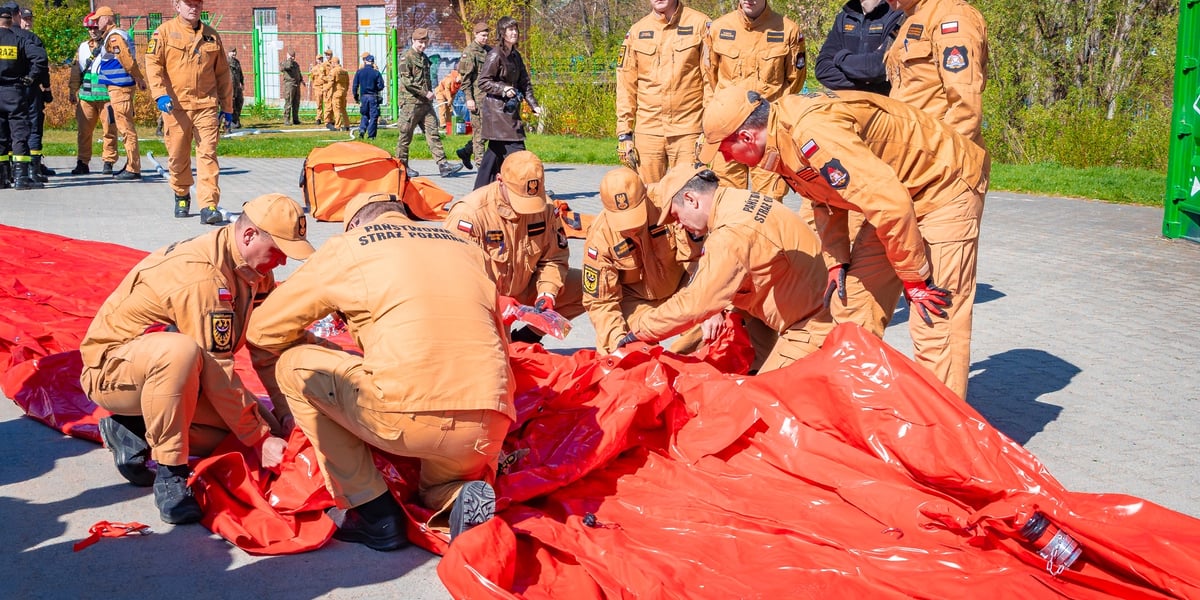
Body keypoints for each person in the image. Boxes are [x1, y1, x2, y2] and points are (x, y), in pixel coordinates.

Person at [246, 192, 515, 551]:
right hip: (488, 418)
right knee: (438, 484)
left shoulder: (350, 246)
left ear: (356, 224)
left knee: (294, 366)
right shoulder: (465, 246)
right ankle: (455, 496)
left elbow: (263, 330)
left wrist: (324, 343)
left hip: (403, 412)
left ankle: (372, 511)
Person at [699, 85, 986, 397]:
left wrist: (914, 279)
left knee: (934, 314)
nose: (726, 158)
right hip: (892, 197)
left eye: (725, 149)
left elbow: (889, 202)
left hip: (942, 185)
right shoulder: (778, 138)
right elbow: (826, 197)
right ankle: (851, 404)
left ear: (746, 137)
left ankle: (944, 430)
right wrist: (837, 260)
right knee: (853, 307)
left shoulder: (812, 131)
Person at [80, 193, 311, 524]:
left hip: (181, 376)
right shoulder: (201, 277)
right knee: (180, 353)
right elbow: (217, 367)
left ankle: (133, 427)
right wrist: (260, 439)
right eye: (278, 251)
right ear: (249, 236)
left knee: (250, 435)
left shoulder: (254, 268)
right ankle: (171, 472)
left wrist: (287, 414)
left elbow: (268, 345)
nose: (283, 262)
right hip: (114, 371)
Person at [617, 164, 834, 373]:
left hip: (810, 325)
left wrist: (638, 333)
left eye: (675, 216)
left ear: (691, 199)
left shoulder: (730, 234)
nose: (679, 225)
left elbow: (696, 303)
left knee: (762, 401)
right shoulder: (737, 200)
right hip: (804, 299)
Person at [445, 150, 584, 343]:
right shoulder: (470, 214)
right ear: (500, 180)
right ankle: (503, 341)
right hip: (486, 302)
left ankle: (528, 338)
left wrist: (547, 293)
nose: (527, 209)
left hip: (525, 287)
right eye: (519, 198)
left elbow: (554, 258)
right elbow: (453, 277)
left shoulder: (546, 209)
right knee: (500, 364)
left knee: (591, 286)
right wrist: (494, 301)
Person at [582, 167, 710, 354]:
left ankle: (681, 364)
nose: (631, 230)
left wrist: (707, 301)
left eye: (636, 217)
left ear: (645, 197)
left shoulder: (667, 203)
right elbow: (600, 302)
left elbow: (696, 258)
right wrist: (617, 339)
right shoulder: (599, 237)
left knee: (710, 322)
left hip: (681, 289)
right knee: (616, 353)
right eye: (622, 223)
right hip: (636, 302)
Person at [702, 0, 806, 200]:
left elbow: (794, 82)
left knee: (768, 202)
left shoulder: (788, 30)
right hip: (727, 132)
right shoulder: (718, 28)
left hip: (767, 133)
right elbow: (709, 78)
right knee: (727, 198)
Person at [146, 0, 235, 225]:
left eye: (197, 3)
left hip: (206, 105)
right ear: (176, 6)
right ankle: (181, 192)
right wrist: (160, 94)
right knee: (177, 156)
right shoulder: (163, 33)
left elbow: (223, 74)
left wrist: (227, 107)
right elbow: (153, 65)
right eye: (188, 4)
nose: (193, 7)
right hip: (175, 106)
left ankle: (208, 205)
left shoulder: (212, 36)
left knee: (208, 154)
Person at [615, 0, 710, 184]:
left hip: (688, 131)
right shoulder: (637, 31)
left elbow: (711, 81)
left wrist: (709, 129)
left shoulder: (699, 24)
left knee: (687, 195)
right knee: (648, 198)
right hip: (648, 131)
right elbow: (626, 86)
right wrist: (624, 132)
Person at [883, 0, 989, 150]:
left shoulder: (951, 17)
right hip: (911, 152)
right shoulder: (912, 18)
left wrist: (942, 158)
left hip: (937, 158)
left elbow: (965, 106)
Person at [473, 16, 544, 189]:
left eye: (516, 29)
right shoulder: (495, 54)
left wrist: (533, 104)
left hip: (509, 112)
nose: (514, 33)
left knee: (492, 155)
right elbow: (483, 81)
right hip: (498, 114)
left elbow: (524, 83)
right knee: (519, 153)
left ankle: (480, 190)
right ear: (502, 33)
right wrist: (503, 89)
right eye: (510, 30)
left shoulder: (515, 56)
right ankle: (527, 187)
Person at [396, 28, 462, 178]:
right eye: (420, 42)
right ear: (413, 41)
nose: (423, 45)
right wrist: (425, 92)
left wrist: (429, 94)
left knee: (433, 134)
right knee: (405, 136)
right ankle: (402, 167)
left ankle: (443, 165)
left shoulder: (424, 58)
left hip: (425, 105)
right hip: (411, 104)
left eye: (425, 42)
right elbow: (407, 81)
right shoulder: (406, 57)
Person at [93, 5, 144, 183]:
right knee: (125, 128)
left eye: (98, 19)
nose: (96, 23)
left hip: (120, 88)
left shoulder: (114, 37)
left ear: (107, 18)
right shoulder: (115, 35)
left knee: (126, 129)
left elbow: (127, 60)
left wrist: (139, 78)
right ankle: (131, 164)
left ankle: (133, 167)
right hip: (118, 88)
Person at [814, 0, 906, 95]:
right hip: (848, 103)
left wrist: (840, 58)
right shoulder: (844, 17)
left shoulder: (897, 15)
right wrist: (868, 81)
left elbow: (880, 67)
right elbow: (822, 70)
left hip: (884, 104)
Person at [0, 5, 45, 190]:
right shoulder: (18, 38)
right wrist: (31, 77)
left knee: (1, 136)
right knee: (19, 134)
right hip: (14, 91)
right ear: (12, 19)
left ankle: (2, 178)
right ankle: (21, 178)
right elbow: (40, 58)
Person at [68, 12, 119, 176]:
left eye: (95, 27)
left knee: (110, 131)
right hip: (86, 97)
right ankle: (82, 163)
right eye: (89, 28)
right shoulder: (83, 47)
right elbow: (76, 71)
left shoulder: (111, 44)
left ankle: (108, 162)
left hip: (107, 97)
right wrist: (72, 91)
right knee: (84, 132)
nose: (92, 31)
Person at [14, 5, 52, 183]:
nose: (28, 22)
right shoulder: (30, 39)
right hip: (29, 87)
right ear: (17, 17)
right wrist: (45, 86)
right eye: (25, 19)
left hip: (12, 90)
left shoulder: (7, 38)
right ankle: (32, 170)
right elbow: (42, 63)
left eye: (30, 19)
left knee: (14, 128)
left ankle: (15, 171)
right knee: (33, 126)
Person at [454, 22, 491, 171]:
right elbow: (465, 79)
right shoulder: (469, 52)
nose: (485, 38)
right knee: (479, 131)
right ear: (475, 34)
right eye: (482, 35)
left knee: (489, 131)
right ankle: (481, 165)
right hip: (477, 98)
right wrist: (469, 98)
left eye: (487, 35)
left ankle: (466, 151)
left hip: (490, 98)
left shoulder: (489, 51)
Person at [352, 54, 384, 139]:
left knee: (365, 114)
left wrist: (356, 96)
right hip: (373, 97)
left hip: (364, 97)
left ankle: (362, 130)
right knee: (373, 116)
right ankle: (371, 135)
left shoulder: (359, 72)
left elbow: (355, 86)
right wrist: (375, 88)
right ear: (373, 62)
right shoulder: (376, 73)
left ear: (365, 61)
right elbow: (381, 86)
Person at [280, 49, 304, 125]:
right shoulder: (284, 63)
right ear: (288, 55)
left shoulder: (296, 64)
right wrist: (289, 59)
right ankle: (286, 120)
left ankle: (295, 119)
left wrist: (301, 80)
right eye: (291, 56)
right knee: (288, 102)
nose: (293, 58)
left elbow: (298, 72)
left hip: (296, 85)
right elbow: (287, 67)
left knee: (296, 103)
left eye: (293, 56)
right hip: (289, 85)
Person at [433, 69, 461, 133]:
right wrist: (449, 99)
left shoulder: (458, 83)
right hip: (440, 92)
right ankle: (442, 124)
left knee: (449, 110)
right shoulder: (449, 80)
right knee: (442, 107)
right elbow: (447, 90)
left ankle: (449, 126)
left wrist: (451, 101)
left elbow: (454, 93)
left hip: (449, 95)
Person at [328, 56, 350, 131]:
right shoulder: (345, 71)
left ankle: (337, 126)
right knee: (343, 109)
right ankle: (347, 125)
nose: (331, 64)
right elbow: (347, 83)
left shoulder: (333, 71)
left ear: (334, 63)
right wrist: (345, 90)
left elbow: (331, 83)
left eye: (331, 63)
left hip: (336, 92)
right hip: (343, 92)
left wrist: (325, 89)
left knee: (336, 109)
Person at [227, 47, 244, 130]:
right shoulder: (225, 62)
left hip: (237, 86)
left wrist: (242, 82)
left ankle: (237, 120)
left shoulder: (237, 62)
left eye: (235, 52)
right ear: (228, 53)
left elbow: (240, 73)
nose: (234, 54)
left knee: (239, 102)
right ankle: (232, 122)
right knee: (231, 104)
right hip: (229, 86)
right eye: (232, 52)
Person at [310, 54, 327, 125]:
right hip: (317, 87)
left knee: (327, 103)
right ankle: (318, 118)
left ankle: (327, 118)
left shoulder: (325, 67)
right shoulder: (314, 69)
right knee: (319, 104)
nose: (320, 60)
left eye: (321, 59)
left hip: (325, 86)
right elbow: (311, 78)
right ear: (316, 60)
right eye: (318, 59)